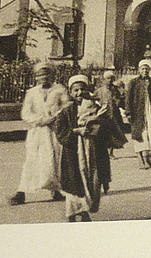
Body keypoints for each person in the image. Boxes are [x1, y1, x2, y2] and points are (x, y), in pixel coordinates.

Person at [9, 63, 68, 206]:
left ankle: (55, 190)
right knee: (32, 160)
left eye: (47, 75)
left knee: (53, 159)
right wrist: (41, 120)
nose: (44, 78)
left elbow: (66, 107)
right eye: (40, 75)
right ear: (36, 77)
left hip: (54, 130)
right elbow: (26, 113)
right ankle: (21, 192)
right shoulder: (32, 93)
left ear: (52, 75)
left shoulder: (59, 90)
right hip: (37, 131)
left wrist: (55, 117)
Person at [55, 75, 107, 222]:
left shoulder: (95, 107)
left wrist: (95, 129)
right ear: (71, 93)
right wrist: (76, 132)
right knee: (74, 182)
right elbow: (60, 132)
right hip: (73, 153)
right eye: (75, 90)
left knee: (91, 180)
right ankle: (73, 213)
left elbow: (104, 126)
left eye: (82, 89)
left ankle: (85, 209)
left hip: (92, 151)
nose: (79, 93)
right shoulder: (66, 111)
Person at [123, 59, 151, 170]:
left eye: (147, 69)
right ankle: (141, 159)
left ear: (150, 70)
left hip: (150, 112)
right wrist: (128, 112)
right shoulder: (133, 82)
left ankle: (147, 158)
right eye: (143, 69)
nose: (145, 71)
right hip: (137, 112)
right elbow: (128, 99)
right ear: (139, 70)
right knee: (140, 135)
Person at [95, 70, 127, 190]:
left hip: (114, 113)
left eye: (111, 78)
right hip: (104, 114)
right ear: (104, 79)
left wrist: (118, 101)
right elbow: (95, 99)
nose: (109, 80)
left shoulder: (115, 89)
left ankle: (111, 152)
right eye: (108, 78)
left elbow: (120, 98)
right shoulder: (99, 90)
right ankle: (107, 150)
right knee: (105, 133)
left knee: (114, 131)